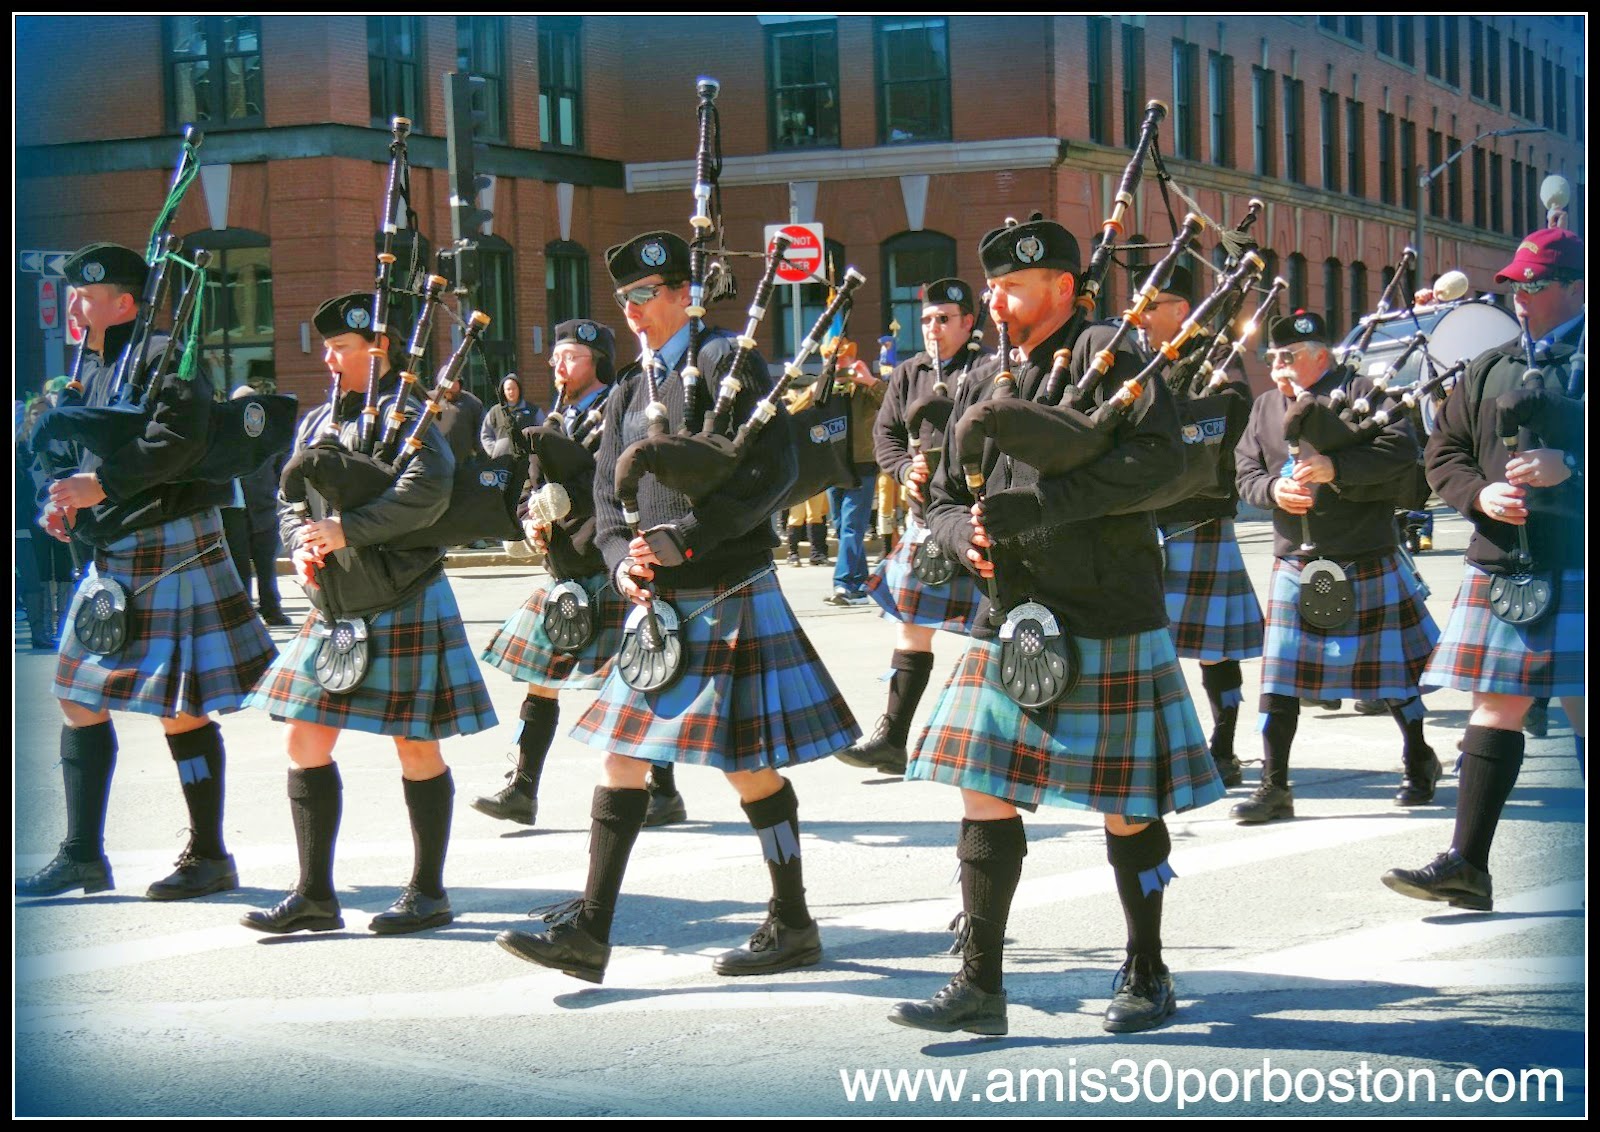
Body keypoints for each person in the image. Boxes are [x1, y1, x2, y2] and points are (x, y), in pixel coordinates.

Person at [889, 215, 1222, 1037]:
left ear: (1062, 287)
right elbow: (935, 490)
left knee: (1128, 804)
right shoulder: (984, 373)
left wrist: (1039, 512)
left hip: (1103, 603)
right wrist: (961, 534)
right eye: (992, 284)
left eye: (1010, 286)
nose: (995, 298)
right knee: (981, 789)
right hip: (1007, 614)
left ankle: (1147, 969)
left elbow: (1163, 466)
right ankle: (980, 985)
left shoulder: (1115, 352)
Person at [495, 231, 858, 983]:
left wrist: (683, 539)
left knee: (748, 766)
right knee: (621, 755)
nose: (631, 311)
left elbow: (773, 470)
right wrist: (619, 558)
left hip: (725, 583)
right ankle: (591, 931)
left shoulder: (727, 361)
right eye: (622, 298)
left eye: (643, 296)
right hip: (656, 600)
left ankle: (791, 921)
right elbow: (605, 492)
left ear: (680, 294)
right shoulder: (631, 387)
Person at [16, 242, 277, 901]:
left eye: (86, 296)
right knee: (76, 695)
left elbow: (178, 442)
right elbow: (72, 448)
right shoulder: (88, 371)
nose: (74, 305)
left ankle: (210, 854)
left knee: (180, 707)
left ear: (124, 303)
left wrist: (100, 485)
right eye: (74, 294)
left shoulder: (167, 359)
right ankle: (81, 855)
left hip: (170, 539)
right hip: (114, 551)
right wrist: (64, 505)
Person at [240, 290, 497, 936]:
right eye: (327, 348)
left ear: (376, 351)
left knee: (415, 744)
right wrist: (303, 541)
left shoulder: (410, 411)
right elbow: (291, 494)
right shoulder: (315, 422)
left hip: (403, 591)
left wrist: (348, 530)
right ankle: (315, 895)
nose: (329, 359)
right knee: (302, 737)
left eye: (343, 348)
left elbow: (428, 491)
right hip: (336, 604)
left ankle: (428, 891)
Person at [1383, 227, 1585, 912]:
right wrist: (1479, 495)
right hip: (1507, 562)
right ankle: (1468, 865)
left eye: (1536, 285)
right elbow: (1442, 454)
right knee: (1493, 707)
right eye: (1515, 286)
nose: (1521, 298)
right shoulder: (1489, 367)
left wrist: (1573, 468)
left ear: (1576, 286)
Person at [474, 318, 688, 830]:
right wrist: (532, 517)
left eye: (569, 356)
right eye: (555, 356)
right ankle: (522, 789)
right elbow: (533, 482)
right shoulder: (556, 415)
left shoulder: (613, 410)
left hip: (608, 563)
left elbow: (616, 479)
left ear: (595, 360)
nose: (557, 365)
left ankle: (662, 789)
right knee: (538, 680)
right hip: (567, 570)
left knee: (637, 680)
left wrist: (572, 495)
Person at [1232, 311, 1442, 824]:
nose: (1279, 364)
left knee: (1393, 676)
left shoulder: (1364, 392)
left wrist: (1337, 468)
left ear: (1321, 356)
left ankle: (1419, 758)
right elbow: (1245, 471)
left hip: (1362, 550)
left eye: (1290, 356)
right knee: (1279, 678)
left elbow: (1401, 450)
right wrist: (1272, 491)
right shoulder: (1263, 407)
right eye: (1274, 356)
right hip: (1296, 558)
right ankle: (1275, 786)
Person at [842, 277, 987, 777]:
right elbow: (885, 435)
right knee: (912, 626)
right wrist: (906, 470)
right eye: (927, 319)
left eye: (943, 319)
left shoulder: (989, 369)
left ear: (967, 323)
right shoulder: (909, 373)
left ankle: (995, 744)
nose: (932, 328)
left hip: (979, 520)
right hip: (926, 519)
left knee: (993, 633)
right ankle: (892, 738)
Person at [1132, 264, 1263, 789]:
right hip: (1146, 516)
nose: (1140, 317)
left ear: (1182, 310)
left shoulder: (1216, 361)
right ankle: (1160, 746)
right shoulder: (1139, 359)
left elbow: (1233, 419)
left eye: (1152, 306)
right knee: (1146, 640)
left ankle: (1224, 746)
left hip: (1198, 516)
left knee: (1214, 646)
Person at [221, 384, 292, 627]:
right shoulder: (225, 435)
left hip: (263, 507)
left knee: (266, 563)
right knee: (239, 565)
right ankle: (244, 614)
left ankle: (271, 609)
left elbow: (282, 467)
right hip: (233, 510)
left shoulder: (268, 435)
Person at [822, 346, 888, 606]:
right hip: (833, 467)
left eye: (842, 359)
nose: (838, 364)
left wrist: (869, 380)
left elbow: (894, 402)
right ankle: (861, 585)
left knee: (851, 527)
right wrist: (822, 382)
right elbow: (797, 410)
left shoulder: (865, 390)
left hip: (862, 466)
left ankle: (843, 584)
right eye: (831, 358)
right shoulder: (825, 389)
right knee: (841, 527)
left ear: (853, 359)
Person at [480, 373, 546, 457]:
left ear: (519, 389)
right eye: (508, 389)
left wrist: (536, 451)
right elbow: (485, 435)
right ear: (503, 391)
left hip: (527, 460)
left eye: (514, 388)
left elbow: (543, 432)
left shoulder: (533, 410)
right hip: (502, 460)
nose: (511, 392)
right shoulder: (495, 411)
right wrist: (494, 451)